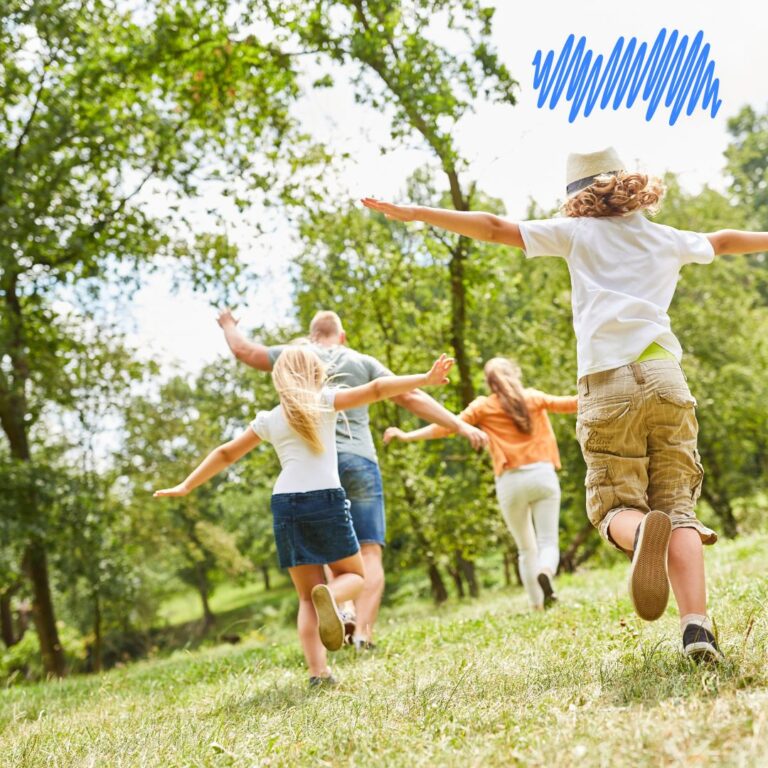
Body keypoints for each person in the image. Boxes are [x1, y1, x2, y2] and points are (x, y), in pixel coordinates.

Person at [362, 147, 768, 661]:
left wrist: (420, 213)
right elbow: (726, 240)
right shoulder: (663, 237)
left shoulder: (577, 233)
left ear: (578, 198)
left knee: (615, 505)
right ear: (628, 186)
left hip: (606, 382)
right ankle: (696, 629)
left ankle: (641, 532)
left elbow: (491, 226)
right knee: (679, 508)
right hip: (667, 379)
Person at [154, 346, 455, 686]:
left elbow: (225, 453)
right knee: (354, 576)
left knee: (305, 596)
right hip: (325, 499)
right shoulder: (325, 401)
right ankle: (333, 596)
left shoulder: (269, 418)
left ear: (279, 379)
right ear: (316, 374)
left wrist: (186, 485)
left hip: (285, 503)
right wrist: (425, 379)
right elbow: (376, 390)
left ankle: (318, 673)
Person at [216, 309, 487, 650]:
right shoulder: (361, 360)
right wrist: (460, 425)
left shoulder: (294, 356)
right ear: (341, 336)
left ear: (312, 335)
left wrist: (228, 324)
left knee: (333, 551)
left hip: (315, 469)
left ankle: (342, 611)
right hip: (359, 461)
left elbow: (245, 351)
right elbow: (408, 396)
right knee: (368, 552)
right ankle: (363, 634)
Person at [384, 357, 577, 610]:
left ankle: (536, 606)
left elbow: (447, 426)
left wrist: (408, 435)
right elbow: (573, 403)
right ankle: (546, 571)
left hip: (510, 482)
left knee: (525, 548)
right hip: (542, 475)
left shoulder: (483, 407)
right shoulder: (534, 398)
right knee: (547, 543)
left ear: (489, 382)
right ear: (514, 374)